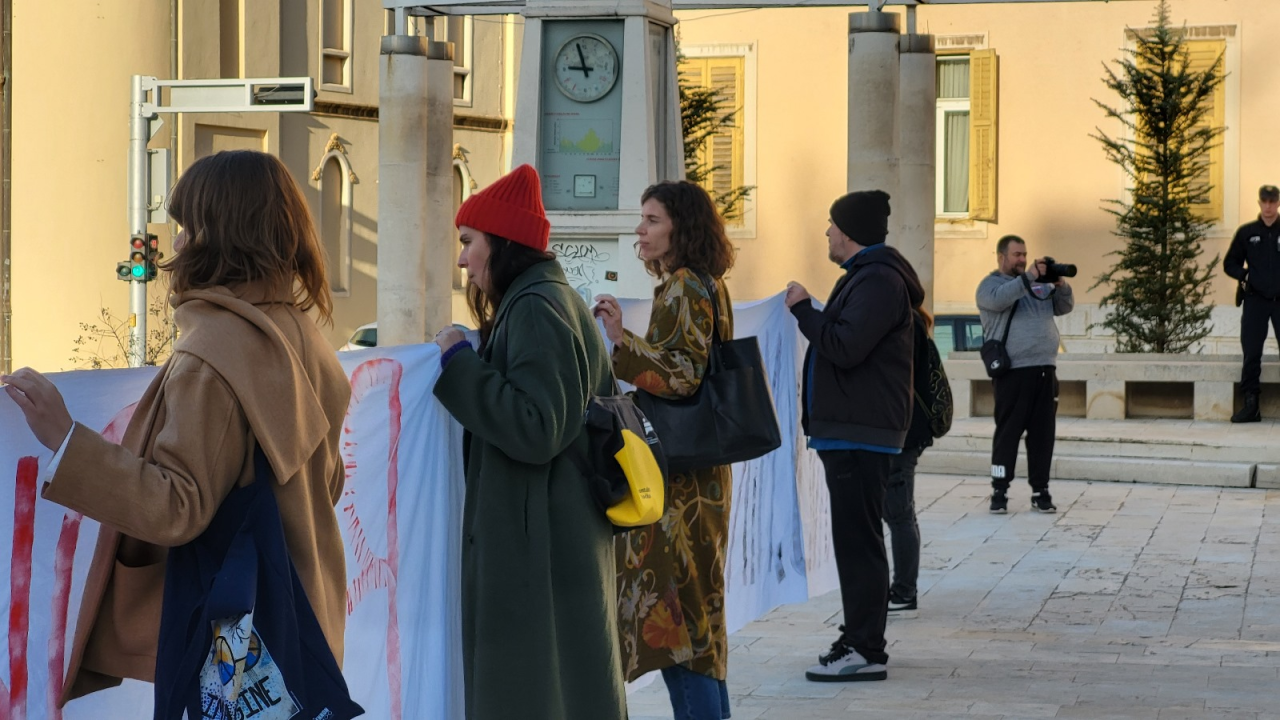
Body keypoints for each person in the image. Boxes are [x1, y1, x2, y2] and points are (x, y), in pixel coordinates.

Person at [1, 150, 353, 706]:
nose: (179, 242)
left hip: (239, 647)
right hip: (305, 629)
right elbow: (327, 484)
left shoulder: (212, 355)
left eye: (190, 226)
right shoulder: (305, 339)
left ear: (220, 237)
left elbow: (177, 505)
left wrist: (65, 439)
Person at [430, 164, 627, 720]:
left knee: (534, 692)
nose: (462, 260)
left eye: (468, 241)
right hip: (549, 536)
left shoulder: (538, 306)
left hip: (540, 549)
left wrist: (458, 361)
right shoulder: (543, 298)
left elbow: (539, 426)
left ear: (503, 242)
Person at [593, 180, 736, 719]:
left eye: (652, 220)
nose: (641, 229)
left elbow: (683, 375)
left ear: (682, 227)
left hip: (682, 482)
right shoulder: (708, 283)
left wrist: (620, 341)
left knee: (681, 629)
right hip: (703, 471)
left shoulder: (683, 285)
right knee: (702, 624)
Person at [784, 189, 923, 683]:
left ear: (849, 232)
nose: (827, 232)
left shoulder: (878, 279)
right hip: (852, 432)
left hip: (860, 434)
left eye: (832, 224)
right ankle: (859, 639)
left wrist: (804, 310)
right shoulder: (869, 276)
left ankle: (865, 649)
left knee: (859, 543)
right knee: (855, 541)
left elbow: (845, 346)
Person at [976, 234, 1075, 514]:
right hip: (1012, 373)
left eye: (1025, 254)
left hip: (1045, 370)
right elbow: (1000, 300)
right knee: (1007, 434)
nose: (1022, 259)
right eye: (1017, 255)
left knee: (1043, 435)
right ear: (1001, 257)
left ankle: (1040, 491)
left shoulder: (1037, 286)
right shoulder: (990, 286)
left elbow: (1064, 307)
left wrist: (1061, 284)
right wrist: (1029, 277)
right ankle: (999, 491)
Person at [884, 302, 938, 616]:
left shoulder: (907, 322)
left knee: (899, 514)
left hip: (903, 433)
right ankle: (904, 588)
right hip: (908, 431)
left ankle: (904, 590)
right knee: (901, 513)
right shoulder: (914, 320)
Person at [1224, 184, 1280, 423]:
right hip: (1255, 299)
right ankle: (1251, 405)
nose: (1268, 206)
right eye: (1264, 201)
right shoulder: (1247, 232)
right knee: (1252, 352)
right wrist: (1245, 275)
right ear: (1259, 203)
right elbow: (1230, 263)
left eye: (1272, 201)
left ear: (1278, 203)